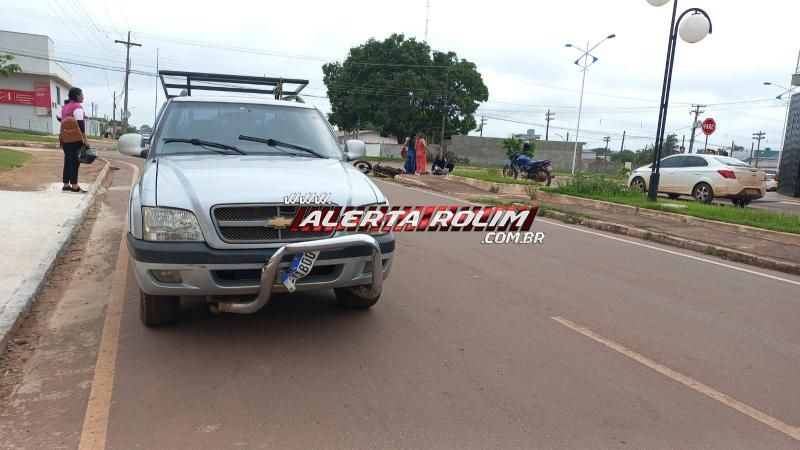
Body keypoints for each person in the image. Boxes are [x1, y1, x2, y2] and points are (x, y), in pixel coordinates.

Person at [60, 87, 88, 193]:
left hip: (65, 138)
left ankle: (66, 185)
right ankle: (75, 186)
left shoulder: (64, 107)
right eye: (82, 95)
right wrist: (85, 140)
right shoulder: (77, 107)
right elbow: (81, 125)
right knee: (75, 162)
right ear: (77, 96)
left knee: (67, 160)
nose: (83, 97)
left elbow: (59, 118)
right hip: (76, 138)